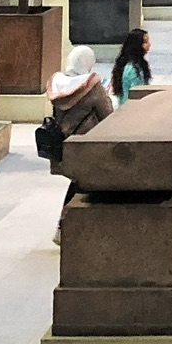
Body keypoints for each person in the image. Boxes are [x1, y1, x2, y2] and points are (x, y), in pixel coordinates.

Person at [48, 46, 115, 236]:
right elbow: (107, 113)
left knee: (78, 183)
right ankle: (67, 228)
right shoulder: (91, 87)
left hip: (65, 145)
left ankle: (65, 227)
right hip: (88, 145)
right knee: (84, 186)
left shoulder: (58, 84)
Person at [110, 28, 152, 105]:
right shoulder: (133, 69)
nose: (149, 44)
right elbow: (136, 94)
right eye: (145, 42)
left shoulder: (129, 64)